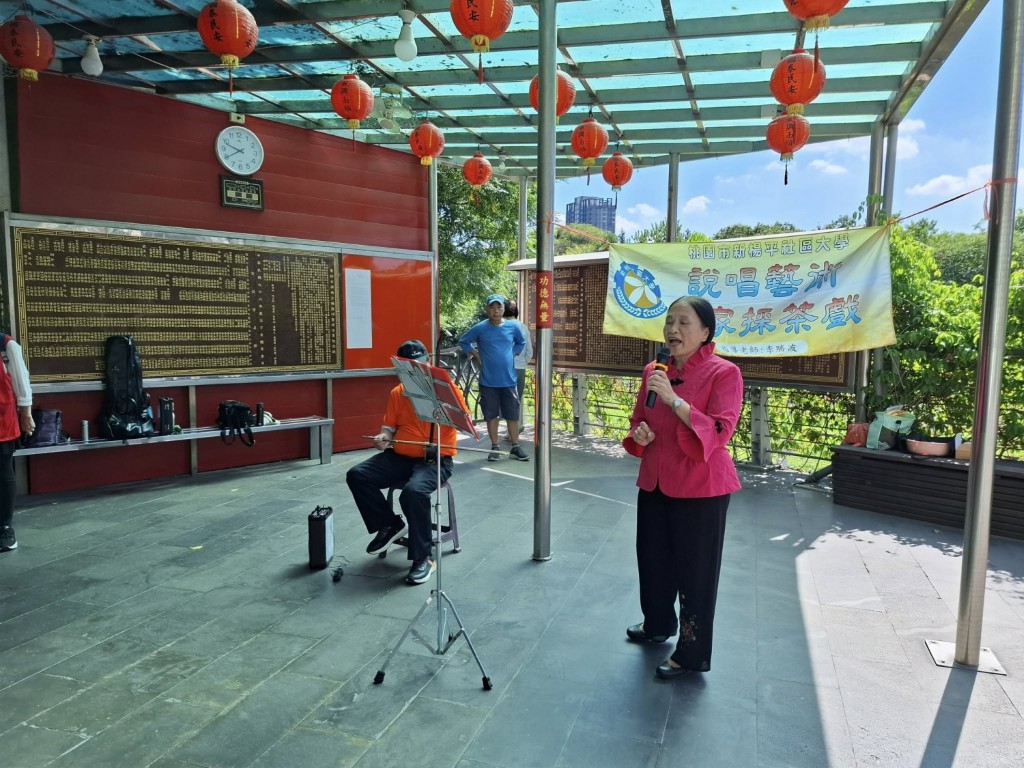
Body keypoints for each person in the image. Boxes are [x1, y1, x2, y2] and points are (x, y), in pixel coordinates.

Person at [622, 296, 743, 680]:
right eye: (669, 322)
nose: (673, 329)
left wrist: (674, 400)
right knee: (652, 560)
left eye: (683, 322)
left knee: (696, 573)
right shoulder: (653, 370)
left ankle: (690, 653)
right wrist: (640, 432)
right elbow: (639, 418)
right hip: (655, 480)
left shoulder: (725, 373)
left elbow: (721, 430)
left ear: (705, 331)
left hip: (702, 487)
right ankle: (657, 624)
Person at [345, 339, 468, 585]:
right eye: (409, 368)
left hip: (435, 459)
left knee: (413, 492)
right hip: (400, 456)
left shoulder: (447, 390)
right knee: (358, 475)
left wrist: (441, 408)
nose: (415, 372)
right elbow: (389, 428)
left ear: (428, 363)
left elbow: (463, 422)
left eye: (419, 366)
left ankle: (423, 558)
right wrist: (383, 438)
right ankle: (390, 525)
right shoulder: (397, 392)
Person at [459, 293, 528, 462]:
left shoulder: (512, 327)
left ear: (504, 309)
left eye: (499, 307)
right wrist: (476, 355)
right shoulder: (480, 328)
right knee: (491, 415)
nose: (496, 310)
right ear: (486, 309)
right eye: (492, 307)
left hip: (509, 380)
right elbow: (464, 341)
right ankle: (495, 447)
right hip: (488, 381)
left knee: (512, 415)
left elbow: (521, 342)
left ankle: (515, 446)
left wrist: (513, 353)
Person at [1, 332, 35, 552]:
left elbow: (21, 380)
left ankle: (4, 528)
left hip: (2, 421)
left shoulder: (5, 344)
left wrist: (26, 414)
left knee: (2, 472)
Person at [503, 299, 533, 424]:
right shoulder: (523, 327)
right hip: (520, 368)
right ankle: (515, 427)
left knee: (500, 399)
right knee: (516, 399)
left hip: (503, 368)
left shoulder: (499, 326)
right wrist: (522, 363)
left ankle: (502, 428)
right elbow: (529, 351)